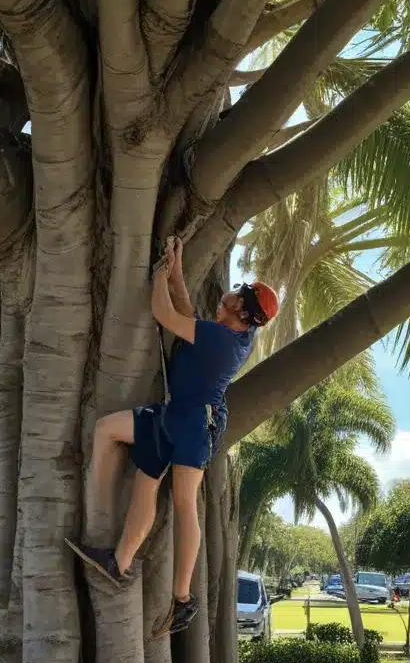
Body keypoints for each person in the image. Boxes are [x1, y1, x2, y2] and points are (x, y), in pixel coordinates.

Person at [67, 236, 278, 635]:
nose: (230, 292)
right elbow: (185, 312)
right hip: (171, 416)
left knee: (183, 504)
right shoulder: (227, 330)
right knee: (127, 455)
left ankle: (183, 598)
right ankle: (120, 561)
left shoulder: (221, 340)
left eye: (238, 292)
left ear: (240, 309)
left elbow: (165, 313)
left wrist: (158, 278)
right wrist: (177, 269)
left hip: (197, 425)